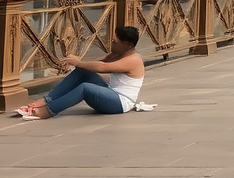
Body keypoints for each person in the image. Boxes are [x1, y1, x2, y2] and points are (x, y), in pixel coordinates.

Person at [16, 26, 145, 119]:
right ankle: (46, 100)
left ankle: (48, 111)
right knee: (82, 70)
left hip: (121, 103)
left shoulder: (134, 60)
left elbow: (102, 68)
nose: (112, 45)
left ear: (127, 44)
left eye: (115, 42)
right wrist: (79, 62)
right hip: (111, 92)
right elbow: (96, 64)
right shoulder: (118, 53)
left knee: (85, 88)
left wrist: (77, 62)